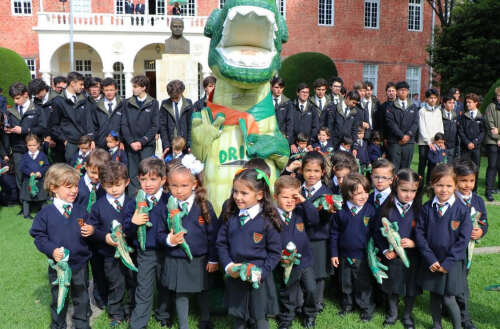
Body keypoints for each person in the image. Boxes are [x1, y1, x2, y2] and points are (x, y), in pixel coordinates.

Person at [30, 163, 93, 329]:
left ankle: (82, 324)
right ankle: (58, 325)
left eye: (76, 186)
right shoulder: (46, 213)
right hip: (58, 267)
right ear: (53, 187)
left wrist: (91, 229)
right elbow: (39, 236)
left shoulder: (80, 210)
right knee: (59, 298)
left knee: (82, 297)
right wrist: (51, 250)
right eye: (68, 186)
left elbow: (89, 227)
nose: (74, 191)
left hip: (80, 264)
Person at [216, 168, 281, 329]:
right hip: (236, 276)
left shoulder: (267, 221)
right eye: (235, 192)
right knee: (238, 318)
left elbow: (274, 253)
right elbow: (221, 243)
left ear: (259, 195)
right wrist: (229, 266)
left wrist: (262, 273)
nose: (238, 197)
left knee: (259, 319)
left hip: (258, 279)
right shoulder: (230, 216)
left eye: (244, 193)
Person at [157, 159, 218, 329]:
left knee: (203, 290)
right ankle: (183, 324)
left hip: (200, 259)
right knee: (180, 292)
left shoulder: (204, 206)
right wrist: (169, 240)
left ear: (194, 184)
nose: (179, 190)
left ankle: (205, 319)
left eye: (184, 185)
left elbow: (213, 235)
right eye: (174, 186)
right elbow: (159, 234)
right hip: (177, 258)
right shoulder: (166, 208)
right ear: (168, 186)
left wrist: (213, 258)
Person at [415, 164, 472, 329]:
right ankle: (436, 325)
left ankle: (458, 326)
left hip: (452, 263)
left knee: (448, 297)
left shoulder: (462, 210)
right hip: (432, 261)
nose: (444, 190)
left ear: (455, 185)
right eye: (439, 185)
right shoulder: (426, 208)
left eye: (448, 185)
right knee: (435, 295)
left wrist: (447, 263)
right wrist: (430, 259)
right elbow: (419, 234)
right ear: (432, 184)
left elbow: (463, 239)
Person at [122, 157, 172, 328]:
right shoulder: (133, 203)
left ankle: (163, 314)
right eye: (143, 179)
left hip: (167, 251)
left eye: (153, 179)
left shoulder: (169, 201)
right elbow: (126, 231)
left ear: (163, 180)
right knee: (143, 288)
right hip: (146, 252)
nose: (148, 184)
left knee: (165, 284)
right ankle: (138, 323)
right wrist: (133, 223)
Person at [373, 168, 422, 329]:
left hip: (413, 257)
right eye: (404, 190)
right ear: (395, 188)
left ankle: (407, 315)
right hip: (393, 257)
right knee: (393, 286)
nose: (408, 195)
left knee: (410, 288)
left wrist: (415, 242)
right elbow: (377, 232)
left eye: (413, 191)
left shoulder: (419, 210)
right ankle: (392, 313)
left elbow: (426, 232)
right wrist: (385, 250)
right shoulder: (387, 208)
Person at [87, 161, 131, 326]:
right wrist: (104, 236)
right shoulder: (98, 206)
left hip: (131, 253)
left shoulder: (132, 203)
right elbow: (92, 229)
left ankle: (132, 309)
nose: (114, 189)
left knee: (133, 282)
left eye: (118, 185)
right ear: (102, 184)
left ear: (126, 182)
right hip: (109, 255)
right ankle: (116, 313)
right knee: (115, 283)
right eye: (108, 185)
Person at [274, 175, 319, 329]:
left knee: (312, 289)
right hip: (285, 263)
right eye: (285, 197)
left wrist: (304, 201)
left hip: (304, 260)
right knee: (288, 292)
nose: (289, 201)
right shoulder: (271, 216)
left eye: (293, 197)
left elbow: (314, 219)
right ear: (275, 197)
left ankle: (310, 315)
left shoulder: (300, 211)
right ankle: (286, 318)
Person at [330, 173, 376, 322]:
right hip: (344, 256)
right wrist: (334, 254)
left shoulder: (370, 210)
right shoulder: (341, 211)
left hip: (363, 256)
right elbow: (334, 233)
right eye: (358, 193)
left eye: (365, 192)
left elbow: (375, 235)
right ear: (348, 195)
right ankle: (347, 306)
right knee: (346, 283)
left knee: (363, 284)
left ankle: (366, 308)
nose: (363, 196)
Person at [453, 159, 488, 329]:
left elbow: (484, 222)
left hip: (468, 252)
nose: (467, 185)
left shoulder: (478, 200)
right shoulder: (451, 199)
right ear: (455, 180)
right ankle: (465, 319)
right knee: (461, 285)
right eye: (463, 180)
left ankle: (451, 307)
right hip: (453, 250)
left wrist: (481, 231)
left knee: (461, 279)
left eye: (471, 181)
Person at [75, 148, 111, 309]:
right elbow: (75, 211)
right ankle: (80, 300)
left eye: (100, 174)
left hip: (99, 235)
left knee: (99, 267)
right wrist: (83, 227)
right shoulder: (77, 187)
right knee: (81, 269)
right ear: (86, 167)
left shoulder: (106, 187)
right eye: (93, 173)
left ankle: (100, 295)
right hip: (81, 234)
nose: (96, 178)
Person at [299, 152, 333, 313]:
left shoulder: (327, 194)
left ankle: (317, 302)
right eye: (308, 170)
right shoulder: (298, 190)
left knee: (318, 273)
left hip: (318, 239)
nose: (311, 174)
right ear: (302, 171)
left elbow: (321, 220)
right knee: (301, 270)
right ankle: (300, 301)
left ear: (323, 172)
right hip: (301, 239)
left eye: (316, 171)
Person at [6, 82, 48, 195]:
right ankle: (23, 202)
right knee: (19, 175)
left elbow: (43, 129)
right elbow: (9, 126)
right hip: (18, 148)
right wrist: (7, 130)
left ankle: (40, 201)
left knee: (38, 173)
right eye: (13, 99)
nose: (15, 101)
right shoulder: (11, 111)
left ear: (25, 94)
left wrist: (25, 130)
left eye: (17, 98)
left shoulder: (38, 110)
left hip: (35, 149)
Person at [121, 75, 159, 197]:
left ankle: (147, 198)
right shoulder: (127, 103)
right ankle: (133, 200)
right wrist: (131, 142)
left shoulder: (153, 103)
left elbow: (155, 126)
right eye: (133, 86)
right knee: (132, 173)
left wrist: (142, 141)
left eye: (136, 87)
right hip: (131, 145)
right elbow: (124, 124)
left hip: (147, 145)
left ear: (143, 87)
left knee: (147, 172)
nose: (133, 89)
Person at [50, 71, 96, 164]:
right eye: (81, 84)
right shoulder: (58, 101)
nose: (82, 87)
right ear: (72, 83)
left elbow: (89, 120)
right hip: (70, 144)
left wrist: (91, 139)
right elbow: (54, 125)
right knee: (71, 172)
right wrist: (65, 140)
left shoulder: (84, 99)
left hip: (86, 143)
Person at [385, 81, 419, 171]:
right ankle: (394, 185)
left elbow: (415, 123)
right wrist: (401, 136)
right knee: (394, 168)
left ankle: (404, 185)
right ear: (397, 92)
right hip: (395, 141)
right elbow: (391, 123)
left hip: (409, 142)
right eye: (401, 90)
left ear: (408, 92)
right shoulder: (391, 106)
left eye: (405, 90)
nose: (403, 92)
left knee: (405, 168)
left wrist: (408, 135)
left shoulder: (413, 107)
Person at [159, 80, 193, 157]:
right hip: (170, 147)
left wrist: (189, 144)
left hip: (185, 147)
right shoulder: (164, 104)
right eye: (172, 97)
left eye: (176, 97)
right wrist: (166, 145)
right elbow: (162, 126)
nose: (174, 99)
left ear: (182, 92)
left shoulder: (189, 103)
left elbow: (191, 125)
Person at [458, 93, 484, 192]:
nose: (467, 104)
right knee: (464, 169)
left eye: (470, 102)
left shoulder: (481, 117)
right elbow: (461, 131)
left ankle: (474, 190)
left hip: (476, 149)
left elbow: (483, 132)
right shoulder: (463, 116)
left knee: (475, 169)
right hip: (465, 148)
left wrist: (475, 142)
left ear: (476, 103)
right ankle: (463, 190)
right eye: (467, 102)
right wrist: (467, 142)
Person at [19, 134, 49, 219]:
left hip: (40, 180)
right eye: (29, 145)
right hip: (28, 181)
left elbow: (46, 165)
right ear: (27, 145)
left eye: (34, 145)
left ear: (38, 145)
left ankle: (44, 214)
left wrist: (41, 172)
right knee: (26, 198)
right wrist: (29, 173)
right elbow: (22, 167)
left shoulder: (42, 155)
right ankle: (26, 214)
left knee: (42, 198)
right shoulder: (24, 156)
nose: (32, 147)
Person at [418, 88, 443, 184]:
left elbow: (440, 127)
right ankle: (420, 184)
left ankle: (430, 184)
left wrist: (440, 141)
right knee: (422, 164)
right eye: (431, 98)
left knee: (432, 165)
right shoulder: (422, 111)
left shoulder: (438, 111)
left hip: (435, 143)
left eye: (435, 98)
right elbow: (422, 128)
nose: (433, 100)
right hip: (424, 143)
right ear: (427, 99)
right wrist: (428, 142)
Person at [92, 77, 124, 149]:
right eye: (106, 90)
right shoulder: (96, 105)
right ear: (102, 90)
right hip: (101, 144)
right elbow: (93, 125)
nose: (109, 92)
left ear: (116, 90)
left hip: (117, 144)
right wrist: (94, 140)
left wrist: (122, 141)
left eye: (111, 90)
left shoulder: (123, 104)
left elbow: (125, 125)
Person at [286, 83, 319, 150]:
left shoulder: (312, 108)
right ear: (298, 93)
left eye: (307, 92)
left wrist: (310, 143)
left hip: (308, 145)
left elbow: (315, 127)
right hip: (294, 145)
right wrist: (291, 143)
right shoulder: (291, 106)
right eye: (303, 92)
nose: (305, 94)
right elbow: (289, 126)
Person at [483, 87, 500, 201]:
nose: (499, 98)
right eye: (498, 96)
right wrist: (498, 137)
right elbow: (490, 125)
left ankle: (498, 188)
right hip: (492, 141)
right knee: (492, 166)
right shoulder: (491, 107)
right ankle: (488, 191)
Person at [441, 95, 459, 164]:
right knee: (441, 166)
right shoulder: (439, 114)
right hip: (442, 145)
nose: (452, 105)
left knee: (450, 167)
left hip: (452, 146)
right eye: (449, 103)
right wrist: (441, 142)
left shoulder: (455, 115)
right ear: (444, 103)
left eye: (453, 103)